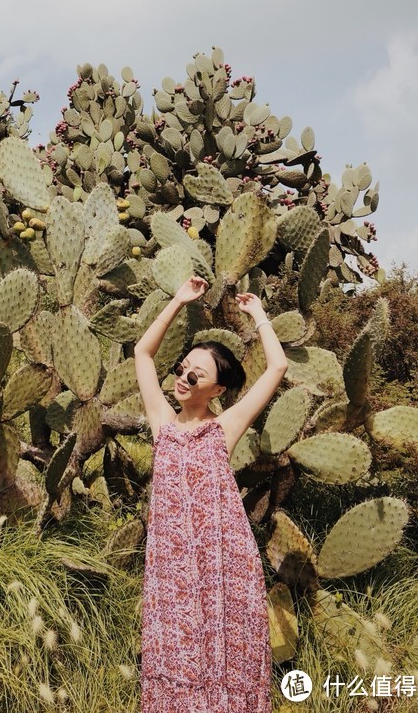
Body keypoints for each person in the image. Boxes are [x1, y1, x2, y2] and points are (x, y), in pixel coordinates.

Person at [135, 275, 288, 713]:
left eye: (196, 375)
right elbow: (143, 354)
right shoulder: (161, 421)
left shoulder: (224, 427)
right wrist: (178, 301)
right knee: (175, 646)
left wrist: (259, 315)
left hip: (223, 558)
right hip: (170, 562)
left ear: (217, 390)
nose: (183, 376)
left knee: (227, 646)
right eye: (184, 367)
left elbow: (276, 369)